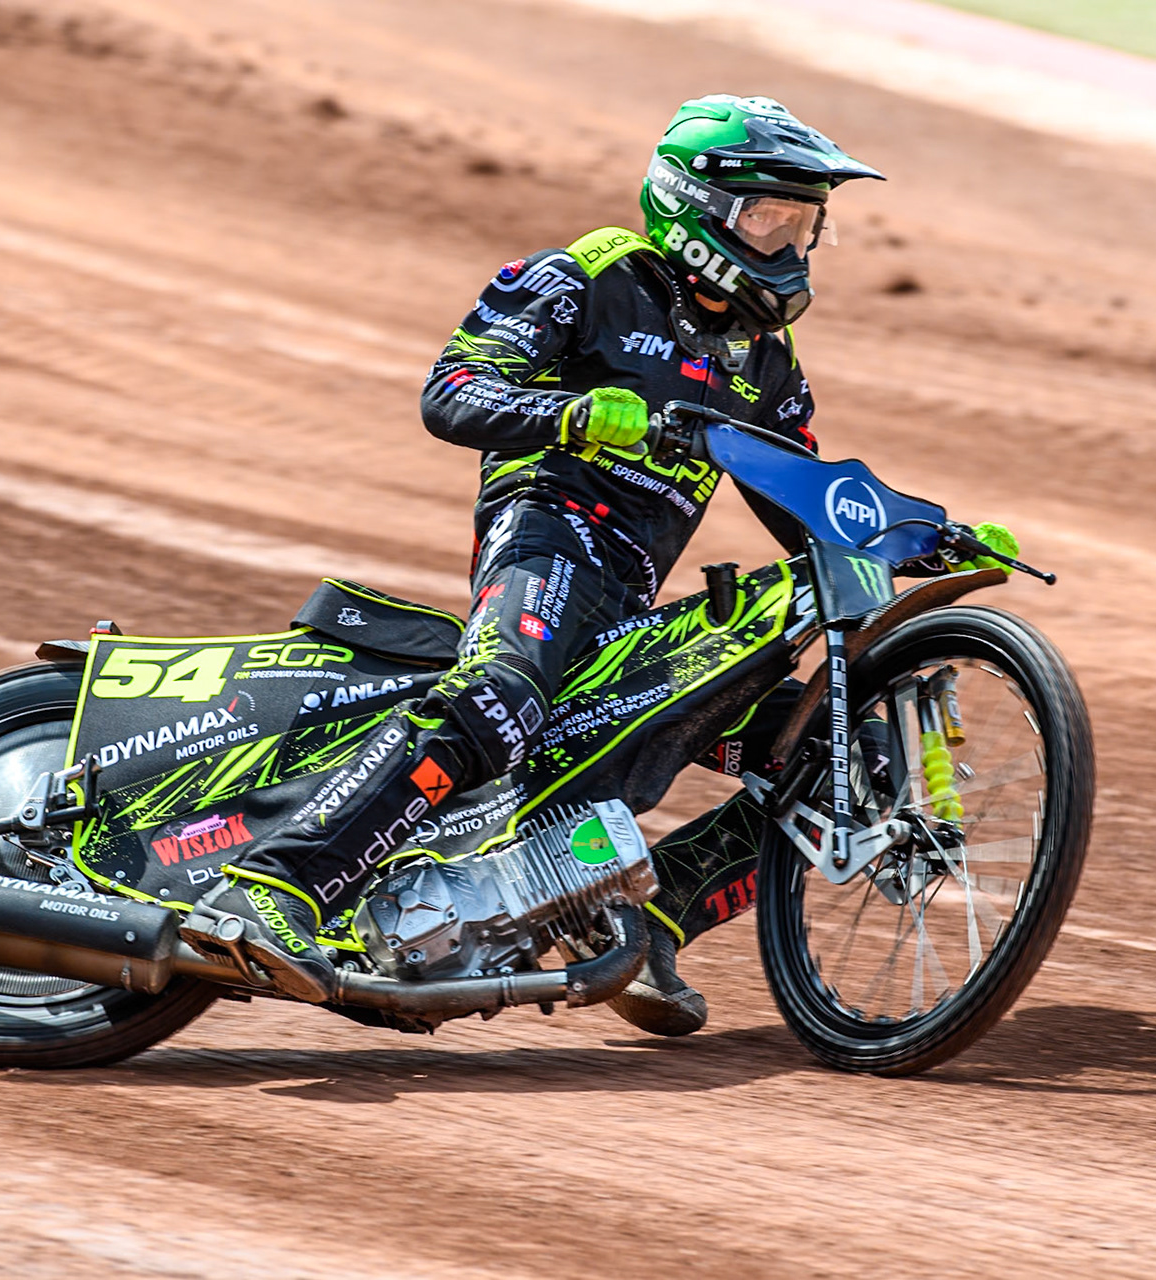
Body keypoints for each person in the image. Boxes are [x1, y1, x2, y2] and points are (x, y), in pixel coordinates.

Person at [190, 94, 897, 1027]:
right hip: (546, 537)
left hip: (631, 600)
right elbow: (451, 394)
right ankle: (272, 886)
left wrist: (910, 534)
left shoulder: (764, 355)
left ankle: (657, 922)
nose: (793, 245)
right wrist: (577, 414)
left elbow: (798, 491)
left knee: (848, 753)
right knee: (500, 699)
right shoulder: (584, 277)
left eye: (807, 225)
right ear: (698, 207)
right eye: (772, 218)